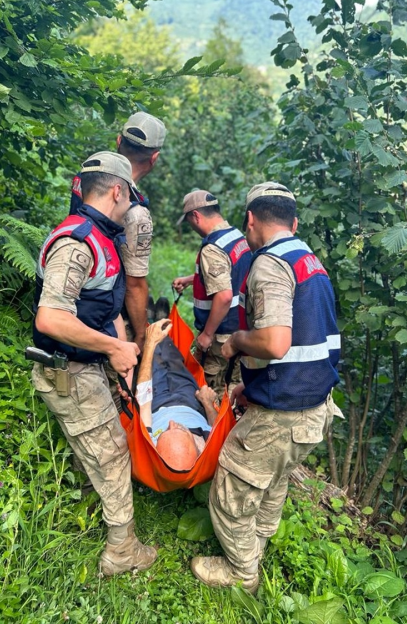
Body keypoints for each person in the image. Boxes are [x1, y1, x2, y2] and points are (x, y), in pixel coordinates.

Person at [191, 182, 343, 593]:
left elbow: (275, 341)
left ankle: (242, 574)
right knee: (273, 479)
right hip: (314, 404)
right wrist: (251, 386)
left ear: (251, 220)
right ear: (294, 222)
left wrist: (236, 342)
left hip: (286, 411)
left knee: (231, 484)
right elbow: (305, 340)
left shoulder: (270, 264)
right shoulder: (309, 260)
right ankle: (256, 545)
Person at [31, 151, 157, 577]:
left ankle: (94, 500)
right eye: (130, 199)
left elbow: (103, 306)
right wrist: (114, 347)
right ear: (118, 190)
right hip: (66, 369)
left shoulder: (102, 238)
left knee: (104, 443)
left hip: (86, 362)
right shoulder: (78, 241)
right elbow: (51, 317)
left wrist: (119, 351)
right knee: (113, 453)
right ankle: (121, 552)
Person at [70, 112, 166, 352]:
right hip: (109, 316)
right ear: (154, 157)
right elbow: (134, 284)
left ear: (118, 141)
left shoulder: (87, 177)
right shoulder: (136, 211)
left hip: (73, 295)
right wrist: (142, 335)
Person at [172, 190, 251, 398]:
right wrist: (192, 279)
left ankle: (219, 429)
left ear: (196, 216)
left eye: (189, 221)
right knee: (236, 386)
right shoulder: (235, 236)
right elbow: (232, 273)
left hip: (221, 335)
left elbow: (224, 295)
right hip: (242, 328)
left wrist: (207, 335)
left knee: (211, 392)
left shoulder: (212, 248)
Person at [121, 319, 220, 471]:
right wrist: (207, 402)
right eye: (180, 429)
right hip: (190, 400)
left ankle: (148, 327)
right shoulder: (207, 445)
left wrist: (150, 344)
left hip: (156, 401)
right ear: (197, 445)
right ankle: (163, 333)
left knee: (154, 360)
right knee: (175, 362)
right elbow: (216, 428)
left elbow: (144, 400)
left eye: (165, 431)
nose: (172, 423)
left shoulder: (152, 445)